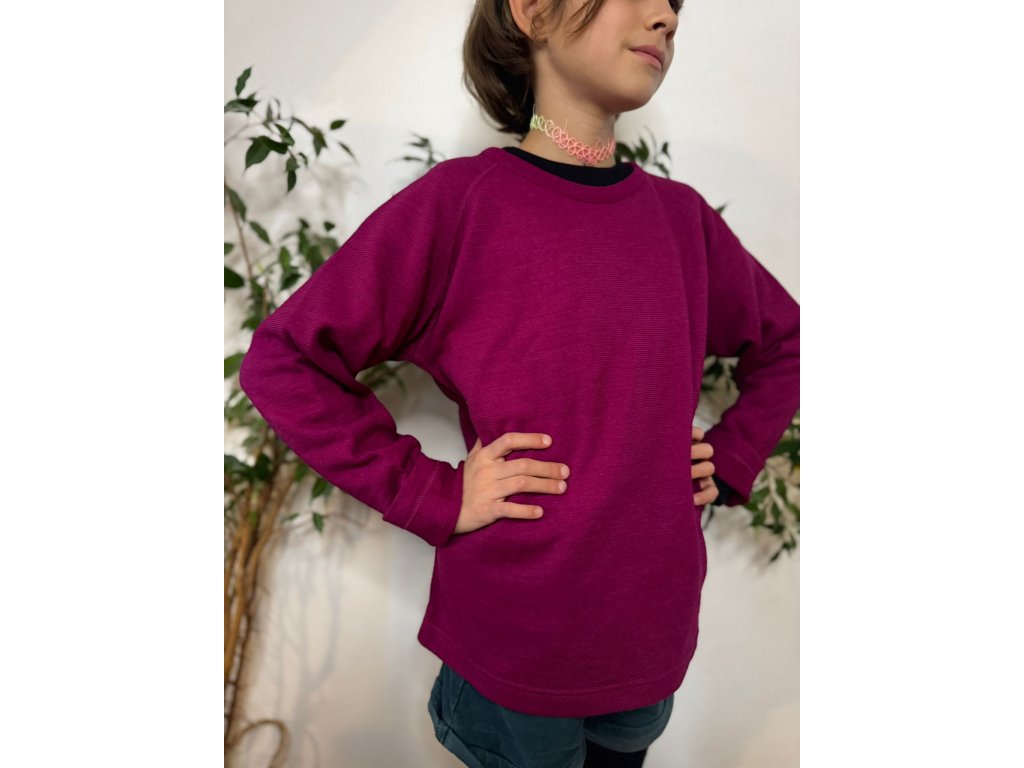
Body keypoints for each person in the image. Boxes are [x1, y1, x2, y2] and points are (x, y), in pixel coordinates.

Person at [238, 0, 800, 765]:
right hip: (511, 649)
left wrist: (731, 458)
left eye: (673, 2)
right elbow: (285, 360)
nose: (665, 17)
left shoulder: (683, 222)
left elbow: (789, 340)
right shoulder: (460, 205)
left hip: (650, 647)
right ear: (533, 11)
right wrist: (431, 492)